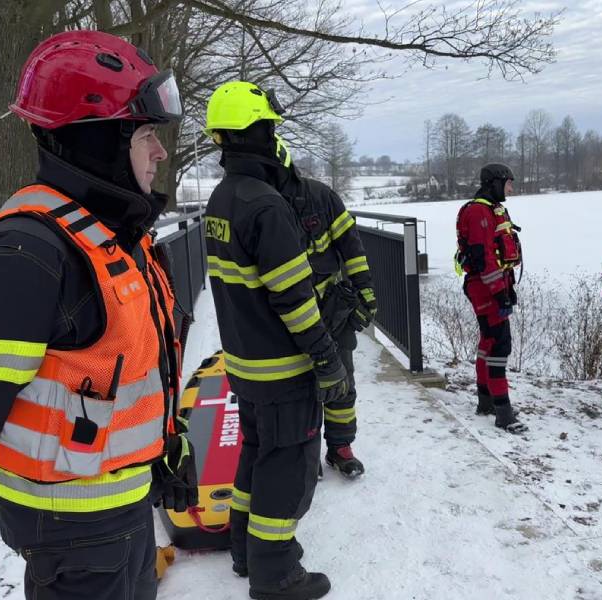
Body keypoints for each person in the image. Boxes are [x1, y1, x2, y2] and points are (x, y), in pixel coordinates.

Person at [0, 30, 196, 600]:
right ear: (101, 144)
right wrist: (45, 479)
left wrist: (159, 449)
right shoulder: (31, 252)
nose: (160, 154)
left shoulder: (113, 235)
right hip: (75, 528)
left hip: (121, 507)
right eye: (146, 136)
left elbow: (124, 373)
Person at [203, 81, 347, 600]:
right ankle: (276, 574)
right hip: (284, 370)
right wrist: (328, 360)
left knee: (256, 456)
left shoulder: (222, 198)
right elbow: (294, 298)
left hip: (245, 364)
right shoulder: (265, 204)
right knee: (288, 469)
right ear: (260, 131)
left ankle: (244, 551)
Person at [273, 134, 376, 479]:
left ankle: (341, 448)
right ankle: (306, 452)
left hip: (331, 309)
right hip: (285, 313)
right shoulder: (262, 204)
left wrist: (365, 291)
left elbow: (351, 245)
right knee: (297, 387)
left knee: (341, 381)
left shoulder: (320, 197)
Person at [455, 163, 527, 434]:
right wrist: (499, 292)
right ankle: (503, 411)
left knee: (488, 339)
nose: (511, 188)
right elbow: (483, 256)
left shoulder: (492, 209)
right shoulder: (478, 212)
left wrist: (505, 288)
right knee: (499, 344)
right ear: (495, 182)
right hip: (485, 287)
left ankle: (486, 402)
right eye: (509, 182)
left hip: (493, 285)